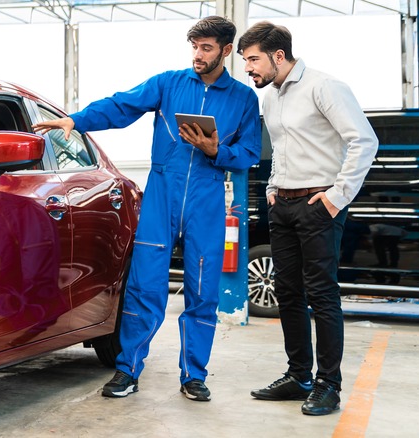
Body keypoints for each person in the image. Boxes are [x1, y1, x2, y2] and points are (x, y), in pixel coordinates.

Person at [33, 15, 261, 402]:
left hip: (206, 199)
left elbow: (250, 153)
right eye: (194, 47)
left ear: (225, 51)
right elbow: (122, 105)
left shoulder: (243, 99)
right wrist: (77, 118)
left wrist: (216, 150)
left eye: (206, 48)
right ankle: (128, 370)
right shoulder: (169, 83)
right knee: (144, 285)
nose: (198, 56)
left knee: (203, 291)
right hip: (161, 195)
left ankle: (194, 376)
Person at [238, 22, 378, 416]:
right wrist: (271, 186)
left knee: (322, 294)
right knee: (288, 293)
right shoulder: (272, 98)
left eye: (253, 59)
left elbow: (363, 140)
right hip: (281, 204)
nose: (248, 68)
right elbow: (282, 147)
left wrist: (336, 197)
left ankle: (328, 385)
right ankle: (298, 375)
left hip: (318, 205)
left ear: (278, 55)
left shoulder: (324, 86)